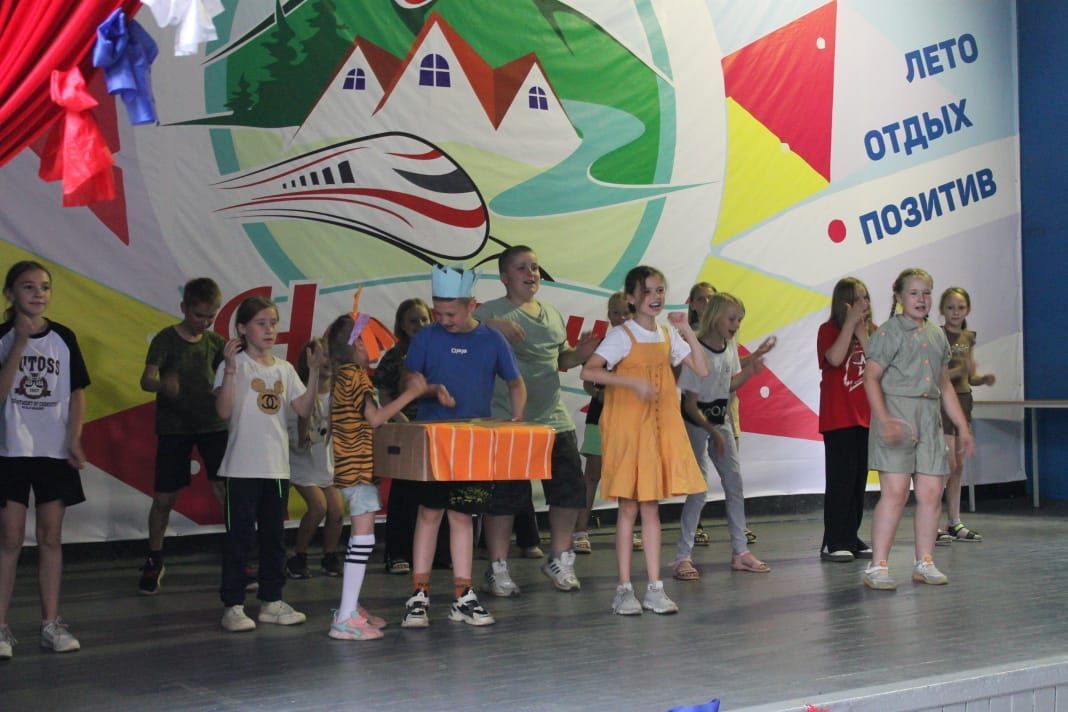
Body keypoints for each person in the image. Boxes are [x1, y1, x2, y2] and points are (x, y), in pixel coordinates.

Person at [401, 265, 525, 628]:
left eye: (451, 314)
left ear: (472, 305)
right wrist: (426, 388)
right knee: (429, 513)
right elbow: (409, 379)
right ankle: (418, 594)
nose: (444, 320)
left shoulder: (492, 340)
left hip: (473, 441)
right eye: (438, 313)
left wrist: (517, 418)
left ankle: (463, 595)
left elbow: (515, 382)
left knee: (462, 515)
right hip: (435, 439)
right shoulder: (426, 338)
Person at [580, 265, 708, 616]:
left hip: (657, 428)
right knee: (628, 508)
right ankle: (623, 589)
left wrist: (687, 331)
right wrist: (630, 382)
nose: (655, 297)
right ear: (632, 298)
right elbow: (590, 370)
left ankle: (654, 588)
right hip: (627, 428)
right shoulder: (622, 335)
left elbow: (702, 369)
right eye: (648, 291)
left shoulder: (667, 335)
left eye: (660, 290)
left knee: (650, 508)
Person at [477, 246, 599, 596]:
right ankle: (497, 567)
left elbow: (561, 359)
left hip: (553, 420)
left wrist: (580, 354)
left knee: (568, 492)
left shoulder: (552, 314)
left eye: (534, 267)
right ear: (504, 277)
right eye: (521, 268)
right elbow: (459, 333)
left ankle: (560, 558)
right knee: (504, 498)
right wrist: (488, 326)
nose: (531, 273)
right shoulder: (489, 312)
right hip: (508, 421)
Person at [213, 296, 323, 631]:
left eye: (273, 322)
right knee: (239, 539)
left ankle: (272, 601)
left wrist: (314, 371)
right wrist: (230, 368)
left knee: (274, 539)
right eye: (261, 323)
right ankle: (233, 605)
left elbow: (303, 409)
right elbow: (223, 411)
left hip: (275, 468)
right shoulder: (234, 364)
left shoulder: (285, 369)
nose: (269, 329)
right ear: (242, 328)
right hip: (241, 469)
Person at [861, 269, 974, 590]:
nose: (921, 299)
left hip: (929, 417)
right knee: (895, 493)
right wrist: (884, 419)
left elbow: (944, 385)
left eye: (926, 293)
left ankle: (925, 561)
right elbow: (871, 377)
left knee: (931, 493)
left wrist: (962, 427)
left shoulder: (936, 335)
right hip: (898, 413)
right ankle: (878, 565)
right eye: (913, 293)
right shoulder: (889, 332)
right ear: (899, 297)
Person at [0, 260, 90, 657]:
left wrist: (74, 437)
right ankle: (1, 628)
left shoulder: (64, 337)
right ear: (10, 293)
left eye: (45, 287)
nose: (38, 293)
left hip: (52, 452)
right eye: (28, 286)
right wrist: (20, 343)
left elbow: (77, 391)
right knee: (10, 538)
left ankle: (50, 624)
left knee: (51, 537)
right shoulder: (3, 337)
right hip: (11, 450)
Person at [324, 311, 427, 640]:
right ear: (356, 345)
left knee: (362, 538)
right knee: (363, 538)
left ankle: (351, 606)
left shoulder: (344, 375)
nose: (374, 350)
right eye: (368, 343)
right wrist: (410, 394)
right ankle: (345, 616)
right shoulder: (355, 377)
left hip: (353, 466)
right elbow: (376, 418)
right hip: (357, 468)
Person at [673, 293, 773, 581]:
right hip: (696, 423)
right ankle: (682, 556)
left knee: (734, 482)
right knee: (698, 489)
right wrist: (713, 431)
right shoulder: (697, 352)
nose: (736, 324)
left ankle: (740, 552)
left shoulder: (728, 347)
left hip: (720, 421)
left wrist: (750, 370)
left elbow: (728, 384)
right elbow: (690, 405)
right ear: (715, 316)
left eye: (739, 320)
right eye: (731, 318)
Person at [137, 278, 228, 594]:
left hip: (213, 425)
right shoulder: (166, 339)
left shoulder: (216, 343)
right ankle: (154, 558)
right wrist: (162, 385)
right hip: (174, 427)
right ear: (184, 308)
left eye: (211, 316)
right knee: (164, 498)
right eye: (199, 315)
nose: (205, 322)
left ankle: (238, 554)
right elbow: (146, 379)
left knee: (225, 491)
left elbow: (230, 378)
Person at [373, 298, 442, 575]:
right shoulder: (394, 357)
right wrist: (402, 422)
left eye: (424, 319)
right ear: (402, 325)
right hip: (407, 432)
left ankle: (439, 554)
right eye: (413, 320)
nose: (419, 325)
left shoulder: (441, 351)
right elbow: (384, 395)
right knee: (404, 494)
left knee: (438, 494)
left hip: (437, 430)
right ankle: (397, 554)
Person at [817, 277, 876, 563]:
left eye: (866, 297)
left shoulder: (873, 331)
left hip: (866, 418)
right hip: (838, 418)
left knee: (857, 483)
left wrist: (863, 334)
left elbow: (880, 364)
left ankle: (851, 535)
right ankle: (833, 540)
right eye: (857, 299)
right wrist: (850, 326)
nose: (864, 303)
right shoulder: (828, 330)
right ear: (844, 304)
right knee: (840, 481)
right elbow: (835, 358)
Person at [938, 287, 995, 543]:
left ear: (968, 310)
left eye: (960, 308)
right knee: (947, 463)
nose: (955, 312)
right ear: (942, 310)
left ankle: (954, 521)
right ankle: (932, 521)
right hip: (943, 402)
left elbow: (969, 376)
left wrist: (983, 379)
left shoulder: (968, 337)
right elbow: (935, 376)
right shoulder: (937, 335)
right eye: (950, 308)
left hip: (963, 400)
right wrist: (958, 370)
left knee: (959, 465)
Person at [283, 339, 344, 579]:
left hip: (325, 462)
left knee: (337, 510)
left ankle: (330, 556)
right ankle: (298, 556)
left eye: (329, 355)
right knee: (319, 507)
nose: (326, 361)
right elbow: (296, 435)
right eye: (320, 356)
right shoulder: (299, 392)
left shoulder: (339, 393)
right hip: (302, 461)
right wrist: (305, 432)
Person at [573, 291, 628, 554]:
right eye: (616, 313)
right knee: (593, 474)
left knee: (627, 476)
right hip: (600, 417)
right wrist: (599, 394)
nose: (622, 317)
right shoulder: (602, 345)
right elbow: (586, 380)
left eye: (627, 312)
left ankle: (626, 531)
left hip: (630, 420)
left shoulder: (641, 348)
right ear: (609, 316)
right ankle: (580, 531)